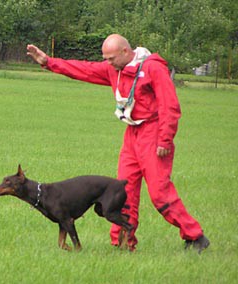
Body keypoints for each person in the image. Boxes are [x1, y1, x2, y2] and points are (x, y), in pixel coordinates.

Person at [26, 34, 210, 253]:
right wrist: (49, 62)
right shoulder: (115, 69)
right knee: (121, 190)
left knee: (160, 193)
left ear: (125, 52)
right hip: (132, 134)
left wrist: (165, 138)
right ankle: (123, 243)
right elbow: (85, 69)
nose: (108, 63)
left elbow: (170, 105)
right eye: (106, 59)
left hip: (153, 132)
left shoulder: (153, 69)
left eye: (111, 58)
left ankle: (195, 236)